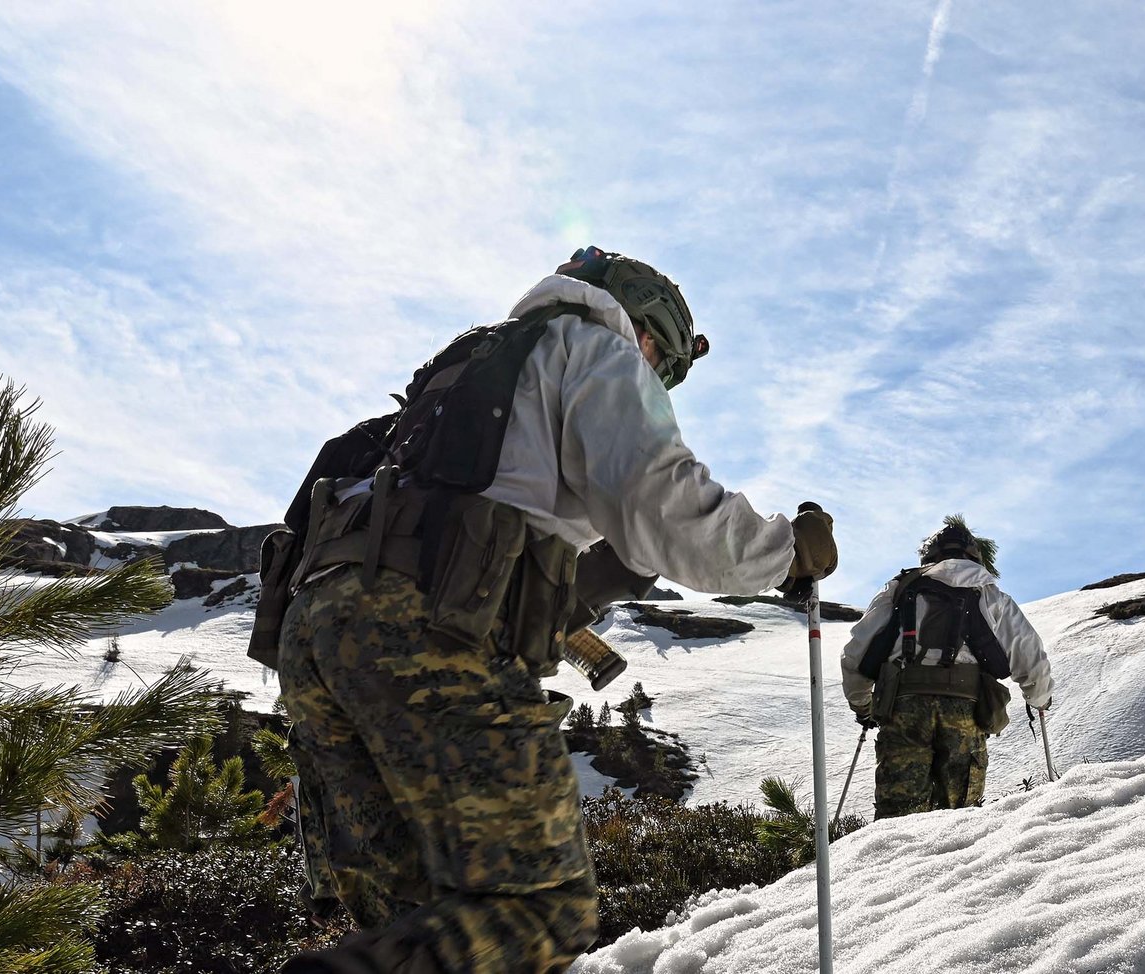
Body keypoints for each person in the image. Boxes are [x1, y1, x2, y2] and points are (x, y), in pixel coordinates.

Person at [268, 248, 837, 974]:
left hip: (315, 641)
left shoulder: (460, 377)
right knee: (538, 906)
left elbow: (461, 521)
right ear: (648, 334)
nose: (656, 384)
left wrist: (579, 584)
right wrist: (790, 551)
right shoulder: (591, 345)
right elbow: (668, 509)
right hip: (424, 635)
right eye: (661, 370)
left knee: (426, 918)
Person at [840, 516, 1051, 819]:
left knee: (898, 820)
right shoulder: (992, 596)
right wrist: (1039, 698)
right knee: (959, 820)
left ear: (928, 556)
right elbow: (1030, 655)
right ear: (975, 557)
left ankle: (896, 863)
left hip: (904, 708)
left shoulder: (900, 589)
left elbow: (856, 654)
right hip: (965, 711)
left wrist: (862, 705)